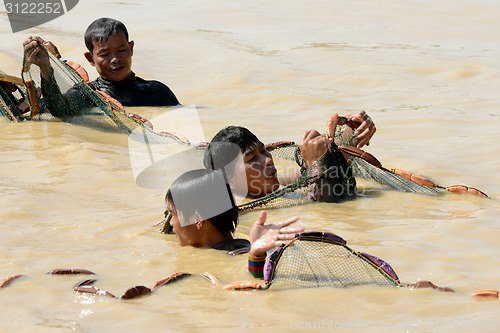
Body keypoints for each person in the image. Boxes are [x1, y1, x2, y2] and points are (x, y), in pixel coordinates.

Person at [22, 17, 179, 118]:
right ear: (90, 59)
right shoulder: (88, 96)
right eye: (105, 54)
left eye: (121, 50)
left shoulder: (157, 92)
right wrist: (46, 68)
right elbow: (59, 109)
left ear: (131, 48)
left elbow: (184, 120)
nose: (115, 59)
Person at [203, 111, 376, 200]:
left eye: (263, 151)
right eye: (252, 158)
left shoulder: (275, 185)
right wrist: (316, 163)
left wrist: (351, 129)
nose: (267, 160)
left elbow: (305, 174)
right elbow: (324, 210)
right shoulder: (247, 211)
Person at [165, 168, 301, 253]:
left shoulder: (238, 252)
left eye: (172, 214)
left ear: (198, 220)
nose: (171, 223)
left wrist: (256, 255)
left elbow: (255, 276)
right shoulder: (209, 248)